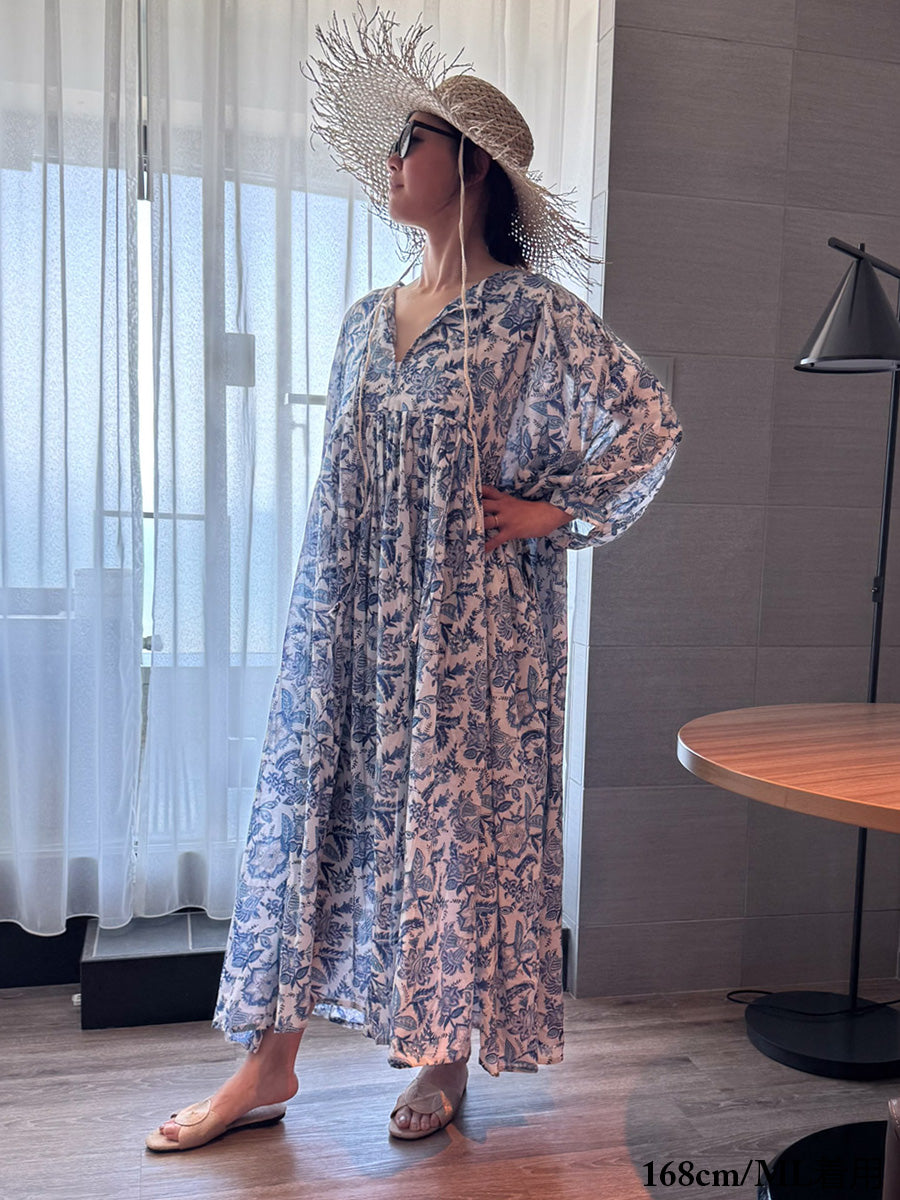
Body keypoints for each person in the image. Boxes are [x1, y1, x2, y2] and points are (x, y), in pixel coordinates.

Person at [145, 9, 681, 1152]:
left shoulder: (530, 316)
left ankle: (442, 1056)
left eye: (411, 143)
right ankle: (268, 1064)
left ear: (471, 166)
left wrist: (553, 510)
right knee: (314, 816)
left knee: (448, 831)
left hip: (471, 635)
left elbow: (649, 422)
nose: (392, 161)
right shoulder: (360, 324)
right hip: (350, 622)